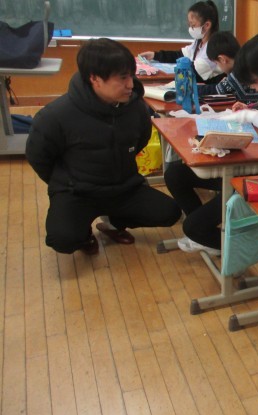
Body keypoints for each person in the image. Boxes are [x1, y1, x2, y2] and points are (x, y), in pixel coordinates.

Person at [26, 38, 181, 255]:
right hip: (78, 193)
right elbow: (39, 157)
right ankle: (84, 234)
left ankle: (114, 223)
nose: (131, 84)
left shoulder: (135, 108)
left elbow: (141, 141)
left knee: (169, 213)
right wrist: (65, 182)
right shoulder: (55, 116)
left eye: (132, 75)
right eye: (123, 78)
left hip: (124, 189)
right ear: (95, 79)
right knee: (63, 240)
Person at [164, 33, 258, 254]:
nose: (253, 88)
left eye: (253, 82)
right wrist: (253, 110)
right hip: (256, 168)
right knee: (175, 174)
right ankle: (207, 232)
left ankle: (218, 240)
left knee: (191, 227)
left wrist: (253, 116)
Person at [139, 1, 222, 83]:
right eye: (189, 25)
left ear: (207, 25)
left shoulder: (214, 48)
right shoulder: (199, 42)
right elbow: (179, 55)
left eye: (193, 25)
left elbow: (195, 72)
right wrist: (154, 55)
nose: (190, 29)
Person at [197, 31, 258, 105]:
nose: (217, 66)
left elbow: (214, 91)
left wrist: (193, 87)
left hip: (251, 110)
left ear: (222, 59)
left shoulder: (237, 74)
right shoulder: (245, 65)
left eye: (216, 63)